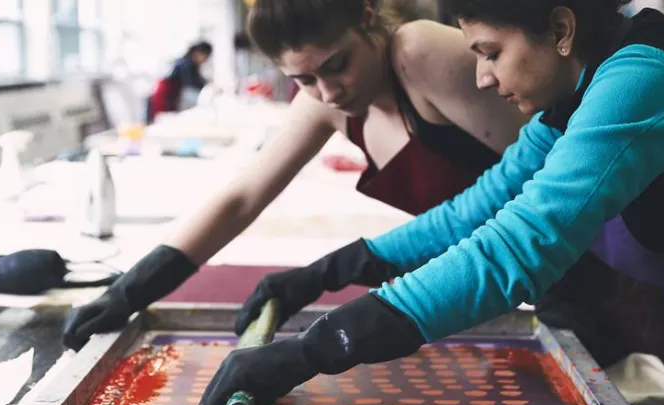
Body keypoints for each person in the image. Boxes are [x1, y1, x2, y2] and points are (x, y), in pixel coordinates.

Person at [192, 0, 664, 405]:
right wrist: (333, 269)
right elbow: (476, 211)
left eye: (491, 52)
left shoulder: (641, 81)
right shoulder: (570, 99)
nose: (481, 76)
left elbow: (514, 250)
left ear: (560, 27)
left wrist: (315, 349)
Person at [62, 1, 529, 347]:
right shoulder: (326, 101)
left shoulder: (419, 50)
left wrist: (334, 269)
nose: (327, 92)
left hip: (562, 249)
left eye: (337, 65)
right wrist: (130, 290)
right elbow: (242, 197)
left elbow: (539, 179)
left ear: (368, 17)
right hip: (499, 273)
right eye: (303, 79)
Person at [147, 41, 214, 122]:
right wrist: (210, 86)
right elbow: (192, 82)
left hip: (170, 95)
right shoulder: (185, 64)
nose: (205, 60)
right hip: (164, 94)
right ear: (198, 53)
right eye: (206, 56)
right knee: (162, 120)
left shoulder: (186, 62)